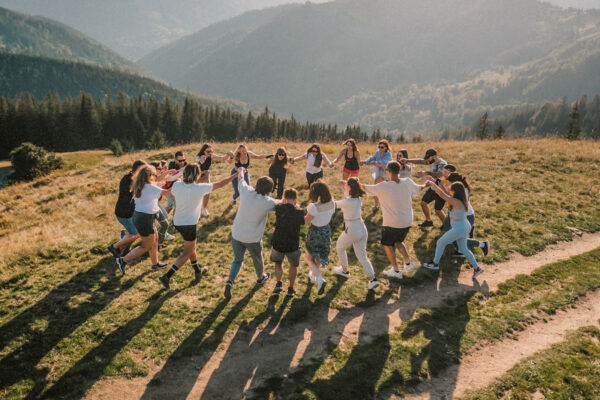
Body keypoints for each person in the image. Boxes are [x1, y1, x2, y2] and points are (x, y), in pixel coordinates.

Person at [158, 164, 237, 289]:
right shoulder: (200, 188)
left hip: (177, 222)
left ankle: (198, 270)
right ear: (198, 175)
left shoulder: (177, 185)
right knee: (188, 251)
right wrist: (237, 174)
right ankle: (167, 276)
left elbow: (169, 190)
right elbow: (222, 183)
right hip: (188, 224)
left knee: (191, 247)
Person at [362, 161, 426, 279]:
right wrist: (427, 183)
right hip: (407, 221)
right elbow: (420, 188)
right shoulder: (407, 181)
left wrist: (353, 182)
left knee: (387, 244)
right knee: (398, 241)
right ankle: (408, 264)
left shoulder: (383, 186)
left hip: (392, 223)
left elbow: (365, 188)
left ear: (388, 172)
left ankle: (396, 271)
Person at [224, 168, 276, 298]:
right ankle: (261, 277)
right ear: (269, 191)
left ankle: (230, 281)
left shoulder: (246, 191)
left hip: (237, 234)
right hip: (252, 238)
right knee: (257, 259)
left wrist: (242, 170)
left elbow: (241, 179)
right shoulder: (268, 202)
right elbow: (282, 204)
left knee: (237, 260)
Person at [422, 181, 484, 278]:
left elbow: (443, 195)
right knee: (463, 249)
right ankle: (477, 268)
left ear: (455, 191)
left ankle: (435, 263)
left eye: (451, 189)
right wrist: (440, 185)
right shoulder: (458, 199)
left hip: (459, 228)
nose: (449, 190)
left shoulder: (457, 202)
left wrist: (432, 185)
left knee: (440, 242)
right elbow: (445, 193)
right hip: (463, 226)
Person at [115, 165, 170, 274]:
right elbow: (168, 192)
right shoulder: (149, 187)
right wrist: (181, 185)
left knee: (154, 240)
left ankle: (155, 264)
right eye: (154, 174)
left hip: (143, 217)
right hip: (144, 219)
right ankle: (122, 260)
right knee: (146, 246)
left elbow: (157, 188)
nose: (155, 176)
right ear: (148, 176)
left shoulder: (140, 184)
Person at [333, 178, 379, 290]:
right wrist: (344, 187)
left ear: (350, 188)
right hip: (362, 228)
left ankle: (344, 271)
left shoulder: (347, 202)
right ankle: (373, 279)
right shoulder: (358, 198)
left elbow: (333, 205)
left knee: (340, 247)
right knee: (363, 256)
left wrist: (328, 196)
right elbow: (348, 198)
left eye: (347, 185)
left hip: (352, 229)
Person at [438, 168, 491, 257]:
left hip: (465, 217)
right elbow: (447, 194)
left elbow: (447, 196)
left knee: (452, 237)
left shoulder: (463, 192)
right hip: (460, 216)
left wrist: (440, 186)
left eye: (450, 182)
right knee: (448, 231)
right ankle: (461, 249)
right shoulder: (461, 189)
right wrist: (440, 185)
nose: (449, 184)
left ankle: (482, 244)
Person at [270, 188, 305, 297]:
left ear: (284, 198)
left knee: (278, 263)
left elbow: (280, 204)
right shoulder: (299, 211)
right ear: (296, 199)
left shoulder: (279, 208)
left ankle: (279, 283)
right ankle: (291, 288)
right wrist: (297, 206)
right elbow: (302, 222)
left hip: (278, 241)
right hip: (292, 243)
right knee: (293, 265)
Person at [108, 159, 146, 258]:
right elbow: (132, 194)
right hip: (125, 214)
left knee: (132, 232)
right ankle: (114, 246)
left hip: (125, 212)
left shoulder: (132, 178)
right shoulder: (129, 180)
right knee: (138, 233)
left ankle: (121, 251)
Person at [305, 180, 336, 295]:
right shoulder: (333, 202)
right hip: (326, 231)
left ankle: (319, 278)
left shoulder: (313, 207)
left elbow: (306, 221)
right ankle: (313, 275)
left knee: (309, 258)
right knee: (318, 256)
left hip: (315, 233)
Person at [404, 148, 448, 227]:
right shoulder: (430, 161)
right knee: (423, 203)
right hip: (433, 187)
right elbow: (420, 161)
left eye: (428, 158)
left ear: (434, 156)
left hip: (441, 189)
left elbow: (440, 174)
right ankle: (428, 221)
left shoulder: (442, 163)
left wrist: (427, 172)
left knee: (438, 210)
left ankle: (446, 225)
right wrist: (407, 160)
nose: (427, 160)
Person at [195, 143, 233, 216]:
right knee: (195, 191)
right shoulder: (199, 157)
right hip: (198, 175)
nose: (210, 153)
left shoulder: (211, 155)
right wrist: (200, 162)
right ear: (203, 151)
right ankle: (195, 208)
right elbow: (196, 165)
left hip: (206, 174)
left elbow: (222, 158)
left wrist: (228, 154)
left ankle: (204, 209)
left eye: (211, 151)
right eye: (208, 151)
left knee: (208, 190)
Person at [361, 140, 392, 212]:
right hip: (380, 171)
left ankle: (386, 206)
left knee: (387, 189)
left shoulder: (388, 154)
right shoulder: (377, 153)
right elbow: (372, 158)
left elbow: (385, 162)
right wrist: (365, 162)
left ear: (386, 148)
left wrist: (376, 163)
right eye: (379, 147)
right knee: (376, 187)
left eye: (382, 147)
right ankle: (376, 205)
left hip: (387, 172)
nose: (380, 149)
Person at [149, 161, 175, 245]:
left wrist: (167, 172)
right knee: (164, 217)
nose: (161, 170)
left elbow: (160, 178)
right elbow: (165, 191)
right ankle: (158, 240)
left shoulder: (154, 176)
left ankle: (160, 238)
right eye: (160, 168)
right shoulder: (151, 179)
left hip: (155, 202)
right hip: (151, 203)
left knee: (163, 217)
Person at [164, 151, 187, 215]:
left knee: (173, 206)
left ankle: (171, 222)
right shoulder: (172, 165)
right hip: (169, 189)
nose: (182, 162)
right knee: (173, 206)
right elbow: (171, 177)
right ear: (175, 160)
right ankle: (164, 221)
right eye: (180, 161)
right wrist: (181, 170)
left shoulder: (185, 164)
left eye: (183, 160)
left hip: (178, 188)